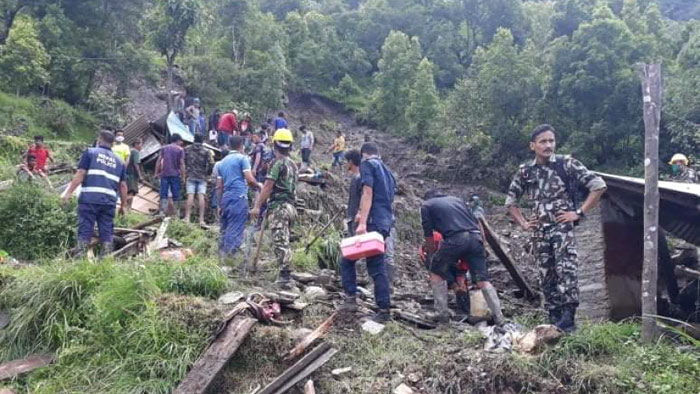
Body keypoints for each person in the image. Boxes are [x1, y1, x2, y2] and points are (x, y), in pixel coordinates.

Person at [506, 124, 606, 332]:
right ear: (532, 146)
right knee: (546, 274)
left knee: (566, 270)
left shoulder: (566, 164)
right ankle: (553, 321)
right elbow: (510, 201)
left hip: (562, 230)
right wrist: (524, 223)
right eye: (543, 141)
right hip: (539, 232)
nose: (548, 145)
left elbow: (598, 185)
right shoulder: (526, 171)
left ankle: (569, 320)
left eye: (551, 141)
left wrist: (578, 213)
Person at [421, 190, 505, 324]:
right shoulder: (458, 200)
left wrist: (432, 256)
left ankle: (441, 314)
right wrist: (481, 243)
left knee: (436, 272)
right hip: (475, 237)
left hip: (455, 239)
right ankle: (499, 317)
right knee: (482, 280)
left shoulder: (427, 205)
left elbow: (428, 234)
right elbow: (478, 222)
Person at [340, 142, 396, 322]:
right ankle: (384, 308)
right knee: (377, 265)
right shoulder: (388, 172)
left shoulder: (367, 165)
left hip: (371, 222)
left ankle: (351, 299)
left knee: (348, 258)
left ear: (364, 155)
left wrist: (362, 222)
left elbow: (367, 192)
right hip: (384, 223)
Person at [62, 130, 128, 257]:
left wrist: (68, 193)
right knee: (107, 231)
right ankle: (105, 260)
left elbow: (81, 173)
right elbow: (123, 185)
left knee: (85, 229)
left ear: (99, 139)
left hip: (90, 199)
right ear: (113, 143)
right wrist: (123, 205)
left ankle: (80, 259)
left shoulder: (91, 152)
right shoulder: (120, 161)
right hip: (109, 202)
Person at [251, 129, 298, 287]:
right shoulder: (293, 165)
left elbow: (268, 186)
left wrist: (257, 206)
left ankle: (285, 276)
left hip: (279, 208)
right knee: (284, 240)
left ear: (274, 145)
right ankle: (285, 272)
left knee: (280, 242)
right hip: (291, 207)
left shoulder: (277, 164)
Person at [217, 136, 263, 262]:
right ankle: (230, 260)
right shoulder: (242, 159)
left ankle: (219, 259)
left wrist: (220, 205)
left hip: (226, 198)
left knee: (224, 229)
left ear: (229, 145)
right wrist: (258, 185)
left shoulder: (222, 162)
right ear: (242, 146)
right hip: (238, 197)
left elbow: (219, 186)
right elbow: (249, 179)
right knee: (235, 228)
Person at [184, 133, 214, 225]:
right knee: (201, 196)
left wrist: (187, 169)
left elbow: (183, 160)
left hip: (190, 175)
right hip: (202, 176)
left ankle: (187, 218)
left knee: (190, 195)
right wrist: (207, 173)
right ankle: (201, 220)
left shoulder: (187, 149)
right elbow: (211, 164)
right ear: (202, 140)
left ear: (194, 139)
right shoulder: (206, 151)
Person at [155, 134, 186, 217]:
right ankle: (177, 214)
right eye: (181, 141)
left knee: (163, 193)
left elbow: (159, 160)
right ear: (178, 140)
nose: (181, 143)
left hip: (164, 174)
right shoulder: (180, 150)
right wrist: (183, 177)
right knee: (176, 194)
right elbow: (182, 164)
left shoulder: (164, 148)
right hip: (175, 174)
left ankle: (162, 212)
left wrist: (156, 172)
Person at [125, 138, 144, 212]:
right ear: (136, 144)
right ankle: (128, 209)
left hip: (125, 174)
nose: (141, 146)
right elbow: (136, 164)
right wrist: (140, 176)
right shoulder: (135, 152)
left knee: (126, 191)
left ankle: (125, 207)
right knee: (131, 192)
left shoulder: (129, 151)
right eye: (141, 144)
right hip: (132, 175)